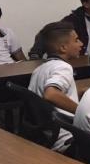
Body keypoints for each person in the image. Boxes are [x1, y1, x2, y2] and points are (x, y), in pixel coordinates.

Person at [27, 21, 83, 152]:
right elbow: (51, 94)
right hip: (68, 139)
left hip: (49, 137)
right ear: (63, 48)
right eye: (76, 40)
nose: (81, 43)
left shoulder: (40, 69)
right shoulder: (63, 67)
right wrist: (82, 112)